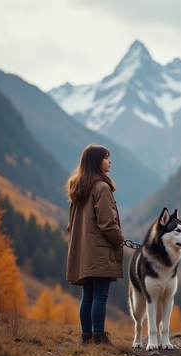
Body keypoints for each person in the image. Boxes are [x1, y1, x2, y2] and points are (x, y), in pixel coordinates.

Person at [66, 144, 124, 345]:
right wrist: (120, 240)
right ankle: (99, 337)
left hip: (82, 252)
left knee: (88, 294)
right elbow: (107, 224)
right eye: (107, 158)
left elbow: (70, 225)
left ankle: (86, 337)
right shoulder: (102, 187)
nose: (110, 161)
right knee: (100, 295)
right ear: (97, 162)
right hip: (99, 251)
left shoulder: (78, 188)